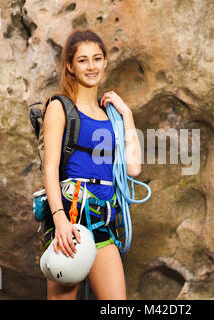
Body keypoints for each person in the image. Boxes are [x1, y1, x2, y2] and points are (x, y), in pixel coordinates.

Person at [41, 29, 142, 300]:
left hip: (102, 220)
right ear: (70, 67)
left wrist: (127, 114)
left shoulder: (112, 115)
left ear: (105, 62)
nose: (91, 66)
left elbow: (133, 168)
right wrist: (60, 220)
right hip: (71, 219)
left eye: (97, 59)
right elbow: (49, 169)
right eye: (83, 60)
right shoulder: (59, 107)